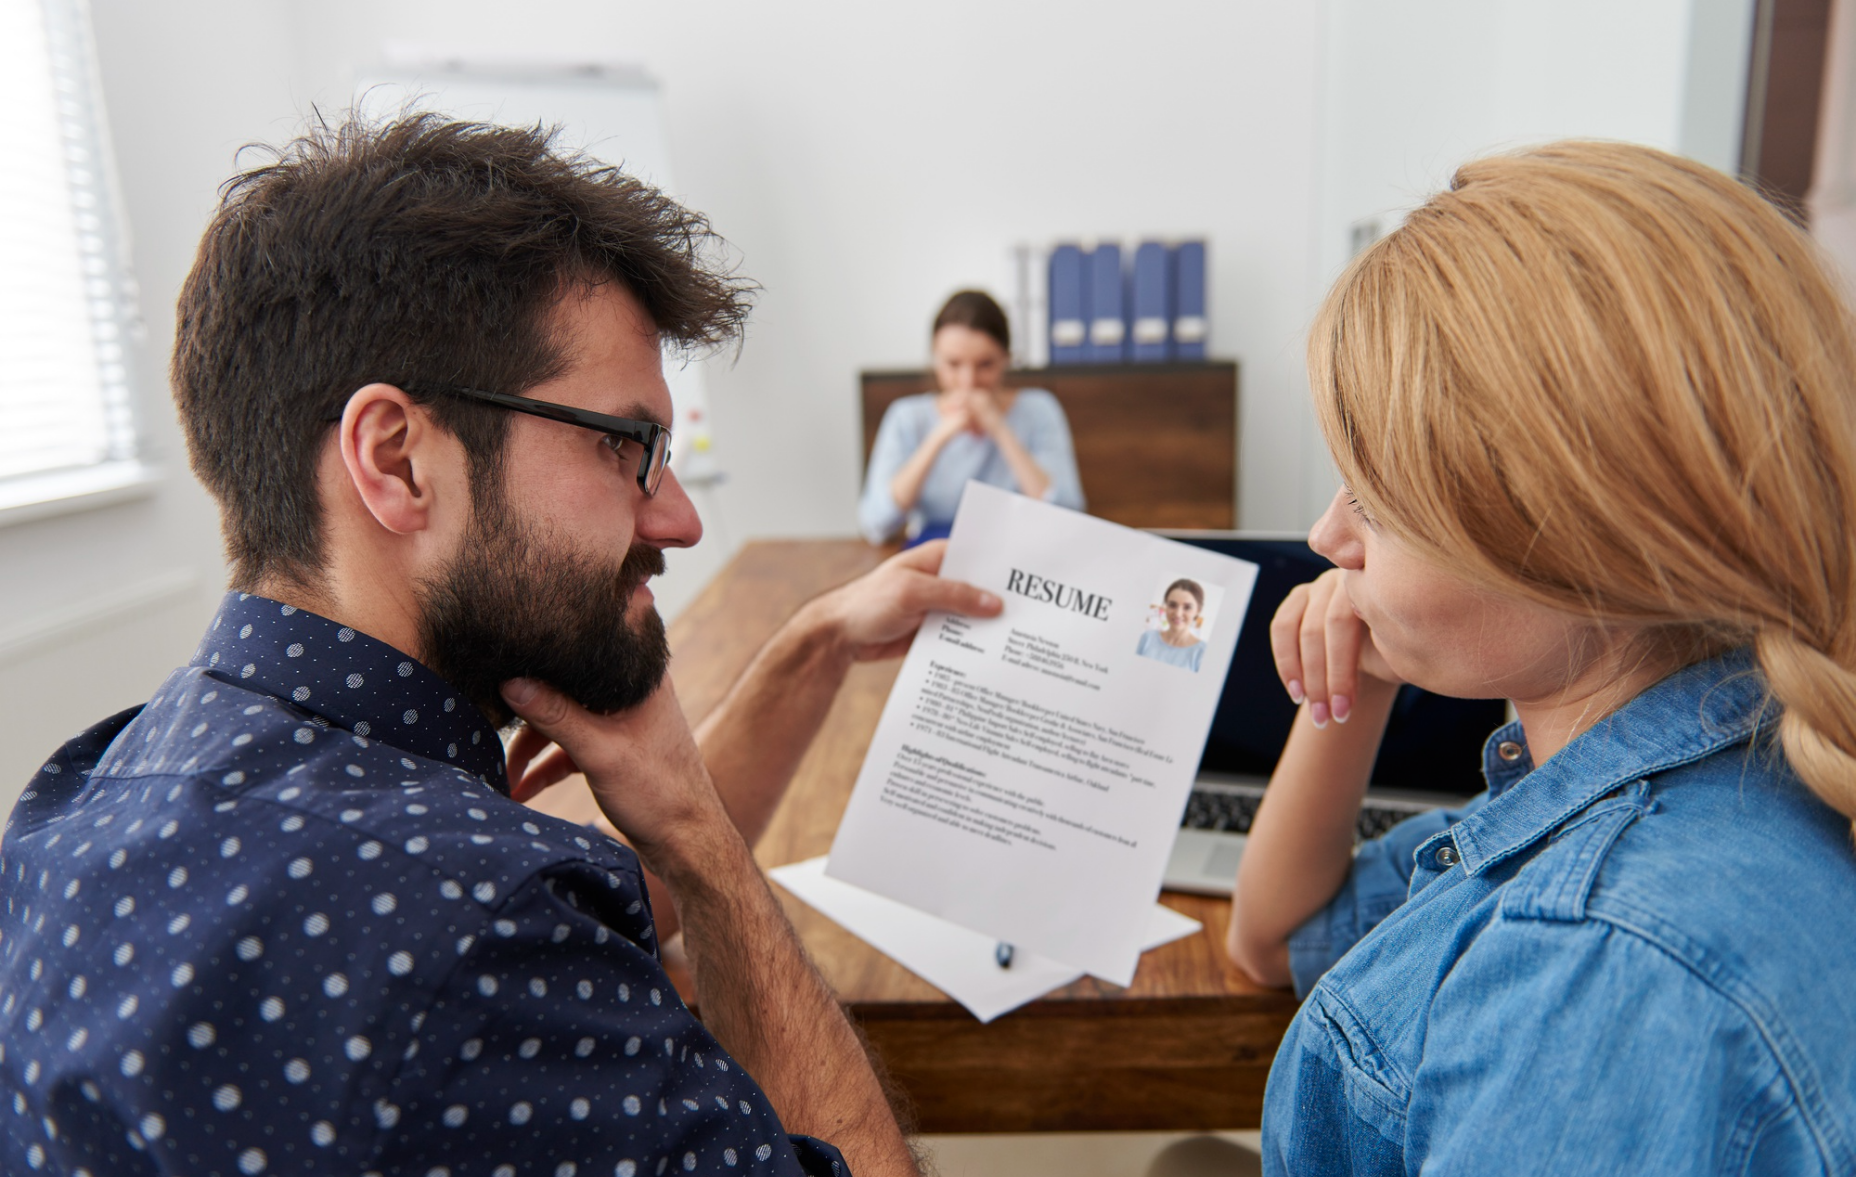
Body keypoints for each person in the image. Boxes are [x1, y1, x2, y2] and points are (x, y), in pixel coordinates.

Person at [0, 115, 1006, 1177]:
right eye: (627, 448)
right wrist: (709, 849)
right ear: (397, 460)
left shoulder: (84, 792)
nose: (675, 520)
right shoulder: (477, 925)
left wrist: (806, 649)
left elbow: (598, 920)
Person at [1225, 142, 1856, 1174]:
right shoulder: (1713, 747)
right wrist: (1360, 679)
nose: (1326, 535)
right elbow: (1275, 934)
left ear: (1574, 540)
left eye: (1374, 501)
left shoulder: (1607, 963)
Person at [857, 290, 1084, 543]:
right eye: (953, 364)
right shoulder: (907, 417)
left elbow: (1067, 516)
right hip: (934, 553)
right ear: (935, 360)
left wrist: (999, 428)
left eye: (985, 364)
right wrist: (939, 437)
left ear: (1006, 359)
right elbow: (875, 523)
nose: (968, 382)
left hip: (1015, 554)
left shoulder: (1039, 410)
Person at [1135, 578, 1206, 672]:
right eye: (1172, 605)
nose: (1178, 613)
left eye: (1187, 607)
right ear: (1165, 606)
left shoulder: (1202, 653)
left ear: (1198, 611)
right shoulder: (1147, 638)